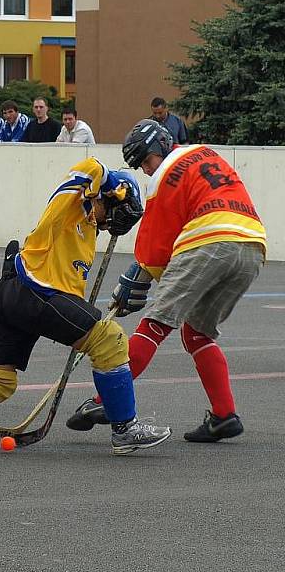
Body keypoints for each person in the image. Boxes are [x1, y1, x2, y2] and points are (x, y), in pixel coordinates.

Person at [0, 157, 173, 456]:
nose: (114, 221)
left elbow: (71, 300)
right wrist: (114, 182)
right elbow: (89, 168)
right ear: (105, 196)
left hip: (16, 296)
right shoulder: (72, 205)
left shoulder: (87, 234)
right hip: (34, 292)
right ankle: (125, 429)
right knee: (110, 339)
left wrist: (94, 315)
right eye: (115, 212)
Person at [66, 119, 266, 442]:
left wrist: (137, 278)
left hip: (209, 239)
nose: (146, 169)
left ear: (160, 147)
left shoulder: (164, 174)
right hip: (252, 245)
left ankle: (105, 401)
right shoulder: (205, 153)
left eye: (146, 160)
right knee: (196, 333)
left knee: (155, 323)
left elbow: (155, 247)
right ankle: (224, 415)